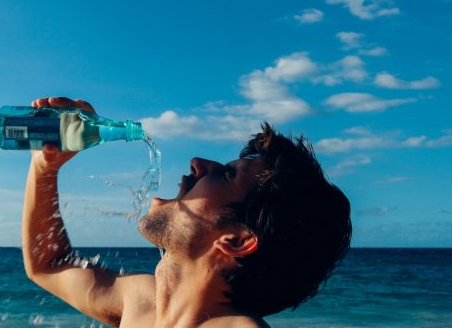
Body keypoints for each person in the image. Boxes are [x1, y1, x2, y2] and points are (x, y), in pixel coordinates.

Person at [22, 97, 352, 328]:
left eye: (225, 174)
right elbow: (48, 265)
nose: (198, 163)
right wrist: (45, 166)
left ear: (236, 240)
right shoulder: (141, 301)